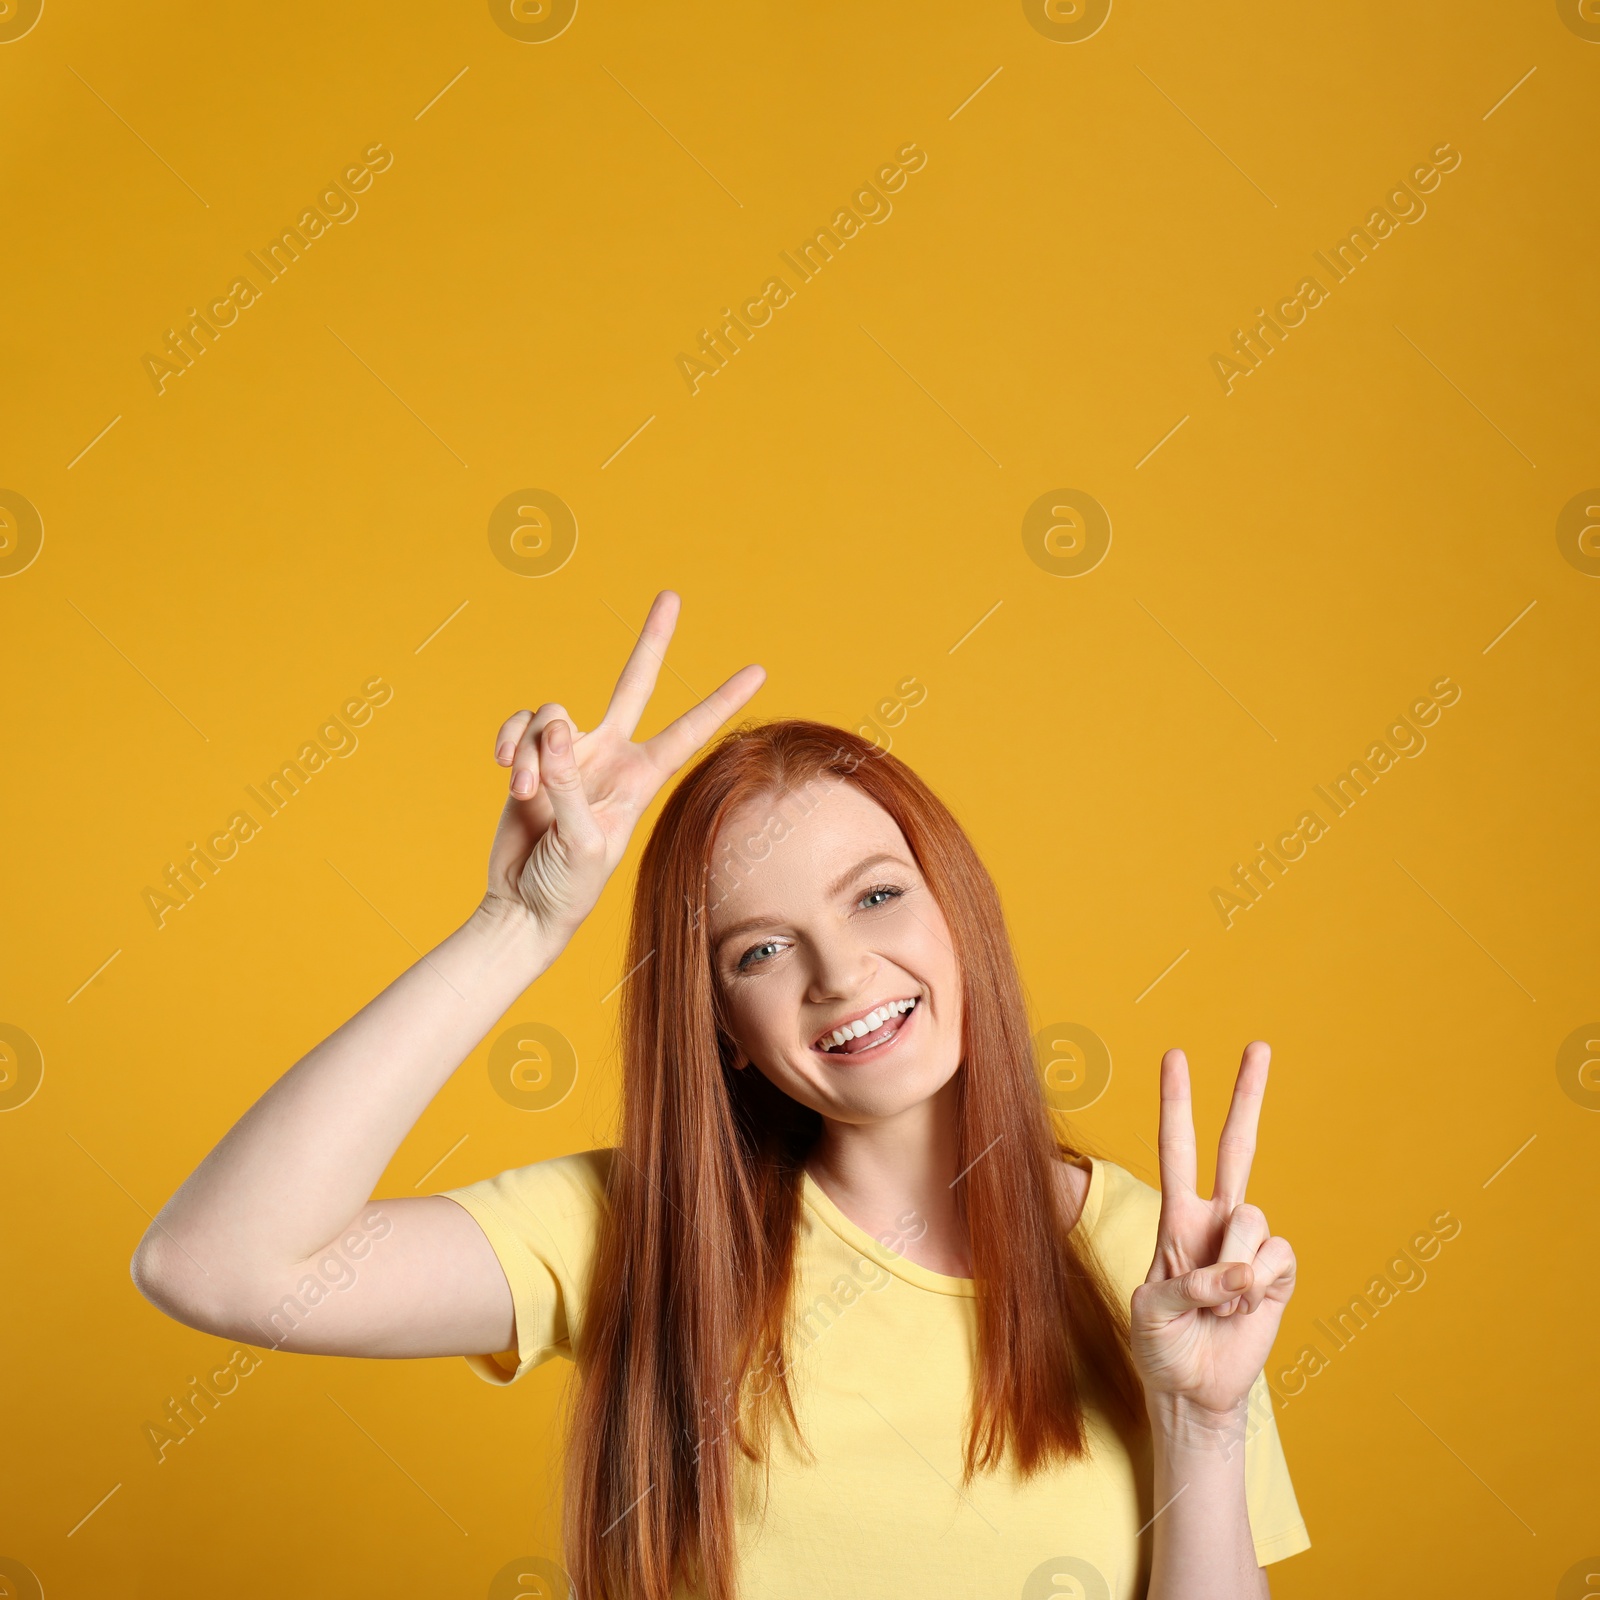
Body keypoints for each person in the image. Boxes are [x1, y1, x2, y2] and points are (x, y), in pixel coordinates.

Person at [132, 590, 1309, 1599]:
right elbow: (217, 1264)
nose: (840, 971)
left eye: (877, 896)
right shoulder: (642, 1233)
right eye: (759, 951)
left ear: (962, 913)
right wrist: (520, 924)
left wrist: (1201, 1421)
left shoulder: (1169, 1267)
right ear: (724, 1034)